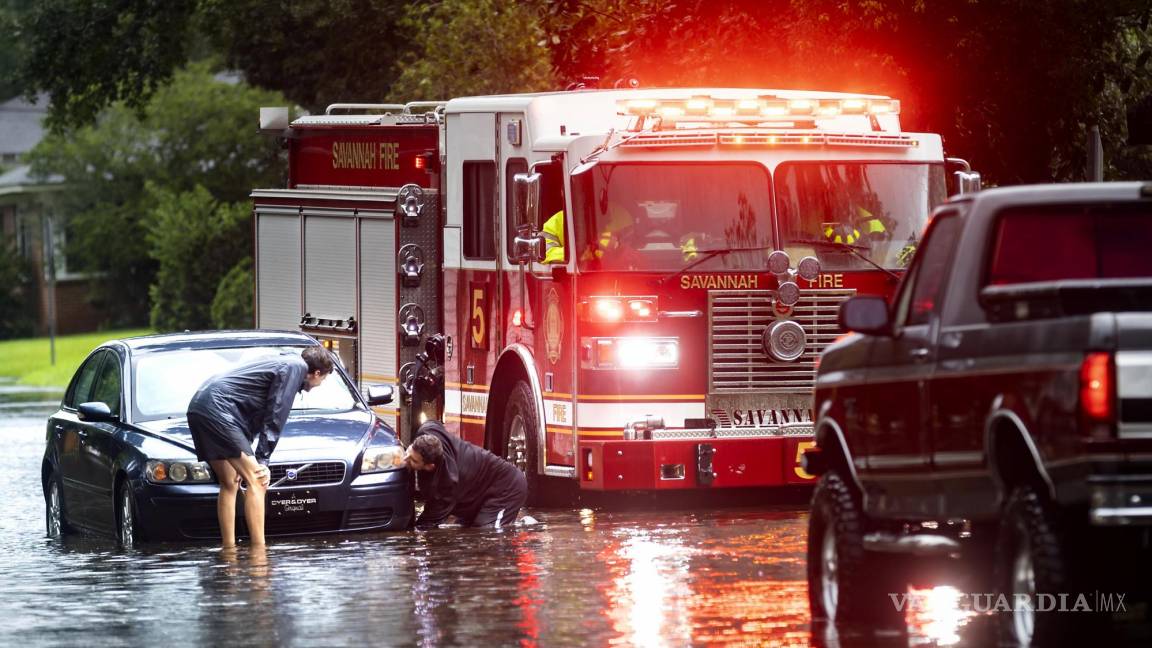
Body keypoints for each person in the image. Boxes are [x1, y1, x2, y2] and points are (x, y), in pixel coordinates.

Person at [187, 346, 334, 547]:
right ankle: (259, 552)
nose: (319, 384)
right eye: (323, 379)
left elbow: (251, 410)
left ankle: (229, 550)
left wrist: (248, 450)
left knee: (230, 482)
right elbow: (276, 412)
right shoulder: (295, 367)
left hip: (200, 406)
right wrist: (262, 459)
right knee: (258, 480)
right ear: (317, 373)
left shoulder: (282, 361)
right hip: (219, 410)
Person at [405, 421, 527, 529]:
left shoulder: (446, 486)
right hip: (476, 490)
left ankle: (525, 528)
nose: (406, 459)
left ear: (430, 466)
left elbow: (428, 522)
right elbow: (435, 423)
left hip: (508, 487)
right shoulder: (428, 430)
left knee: (487, 534)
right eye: (409, 452)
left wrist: (414, 537)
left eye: (413, 461)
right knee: (465, 531)